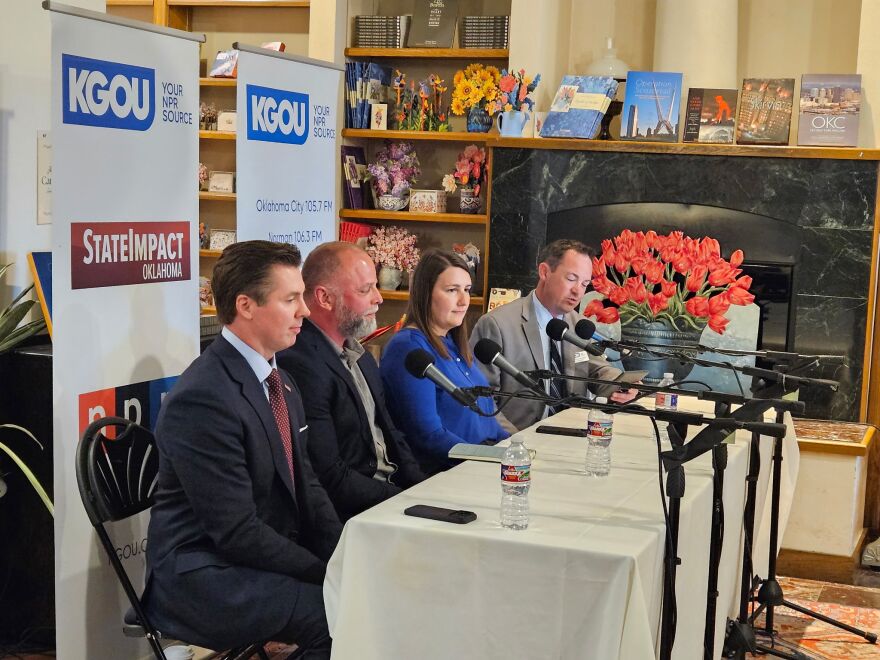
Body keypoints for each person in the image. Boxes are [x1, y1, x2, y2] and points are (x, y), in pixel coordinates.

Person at [144, 240, 341, 658]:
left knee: (357, 596)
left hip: (247, 557)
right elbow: (235, 532)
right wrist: (325, 571)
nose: (305, 310)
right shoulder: (204, 399)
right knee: (336, 614)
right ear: (246, 305)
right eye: (290, 299)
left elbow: (307, 484)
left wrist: (344, 554)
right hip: (204, 575)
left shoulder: (279, 380)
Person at [277, 242, 425, 522]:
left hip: (392, 497)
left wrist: (427, 489)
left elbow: (392, 437)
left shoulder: (360, 355)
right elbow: (330, 476)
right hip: (356, 515)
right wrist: (407, 500)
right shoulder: (300, 364)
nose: (379, 298)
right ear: (324, 298)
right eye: (365, 289)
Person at [470, 239, 637, 433]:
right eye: (571, 279)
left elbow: (596, 368)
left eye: (584, 284)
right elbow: (482, 398)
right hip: (517, 438)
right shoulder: (497, 324)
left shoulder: (578, 325)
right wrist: (516, 441)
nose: (578, 291)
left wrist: (622, 384)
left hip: (573, 435)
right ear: (544, 272)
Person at [380, 248, 508, 474]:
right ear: (425, 293)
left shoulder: (454, 343)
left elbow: (488, 422)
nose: (463, 300)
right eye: (452, 290)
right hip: (449, 474)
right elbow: (428, 435)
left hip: (482, 463)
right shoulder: (408, 348)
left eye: (467, 290)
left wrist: (516, 448)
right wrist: (492, 459)